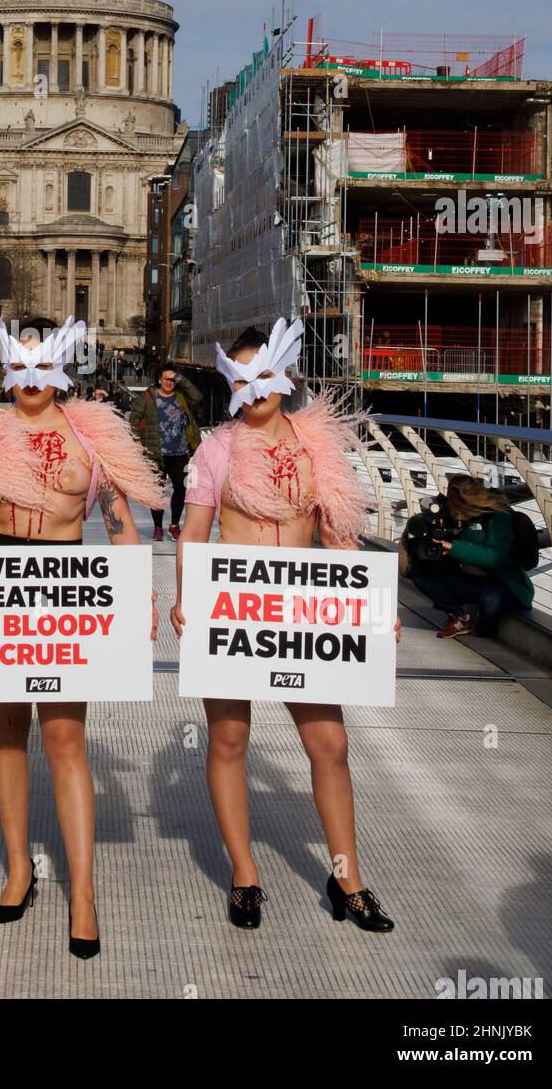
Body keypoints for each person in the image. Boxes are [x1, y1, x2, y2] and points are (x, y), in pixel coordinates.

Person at [0, 314, 166, 960]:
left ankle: (82, 892)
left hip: (67, 582)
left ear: (62, 368)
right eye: (20, 364)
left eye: (43, 364)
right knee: (6, 732)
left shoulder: (92, 436)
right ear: (7, 368)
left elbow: (119, 524)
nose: (31, 379)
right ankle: (17, 869)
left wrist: (140, 595)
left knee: (65, 737)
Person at [171, 319, 402, 934]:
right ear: (230, 384)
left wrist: (374, 609)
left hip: (302, 610)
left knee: (330, 745)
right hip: (234, 609)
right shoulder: (217, 449)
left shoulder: (315, 445)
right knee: (227, 741)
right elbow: (193, 534)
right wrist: (183, 599)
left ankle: (347, 877)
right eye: (244, 378)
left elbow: (339, 536)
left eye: (267, 373)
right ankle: (245, 875)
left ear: (286, 374)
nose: (257, 389)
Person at [405, 474, 534, 639]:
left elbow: (495, 558)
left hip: (503, 581)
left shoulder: (498, 516)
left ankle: (487, 622)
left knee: (490, 602)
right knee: (420, 572)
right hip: (472, 577)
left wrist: (453, 547)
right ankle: (458, 618)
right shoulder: (454, 514)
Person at [130, 363, 202, 542]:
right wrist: (137, 440)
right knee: (158, 491)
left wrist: (182, 380)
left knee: (180, 488)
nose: (170, 382)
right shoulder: (148, 396)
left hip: (179, 451)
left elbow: (198, 397)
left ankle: (174, 525)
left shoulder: (181, 396)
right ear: (159, 379)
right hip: (156, 452)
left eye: (173, 379)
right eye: (166, 378)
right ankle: (157, 527)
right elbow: (134, 418)